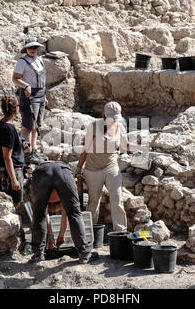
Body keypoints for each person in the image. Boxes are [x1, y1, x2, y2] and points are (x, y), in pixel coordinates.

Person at [75, 102, 146, 232]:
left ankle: (120, 232)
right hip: (93, 169)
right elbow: (86, 149)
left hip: (111, 167)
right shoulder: (94, 127)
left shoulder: (120, 127)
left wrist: (141, 148)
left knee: (117, 199)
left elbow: (126, 146)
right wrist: (79, 168)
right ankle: (88, 232)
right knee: (93, 202)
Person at [29, 161, 96, 264]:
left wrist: (61, 235)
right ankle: (84, 254)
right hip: (63, 171)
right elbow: (69, 213)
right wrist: (52, 238)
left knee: (38, 215)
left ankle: (38, 255)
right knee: (75, 213)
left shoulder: (44, 197)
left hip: (41, 173)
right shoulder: (61, 197)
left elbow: (43, 215)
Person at [12, 37, 48, 164]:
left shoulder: (39, 60)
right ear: (26, 49)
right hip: (29, 96)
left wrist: (44, 96)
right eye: (30, 47)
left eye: (34, 47)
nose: (32, 50)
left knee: (36, 124)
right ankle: (25, 153)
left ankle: (33, 150)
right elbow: (15, 78)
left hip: (40, 95)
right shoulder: (22, 62)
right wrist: (26, 86)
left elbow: (42, 80)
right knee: (27, 125)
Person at [0, 95, 30, 209]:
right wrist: (14, 179)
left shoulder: (1, 124)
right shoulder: (9, 129)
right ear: (15, 109)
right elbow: (7, 157)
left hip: (2, 169)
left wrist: (20, 144)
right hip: (11, 172)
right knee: (13, 205)